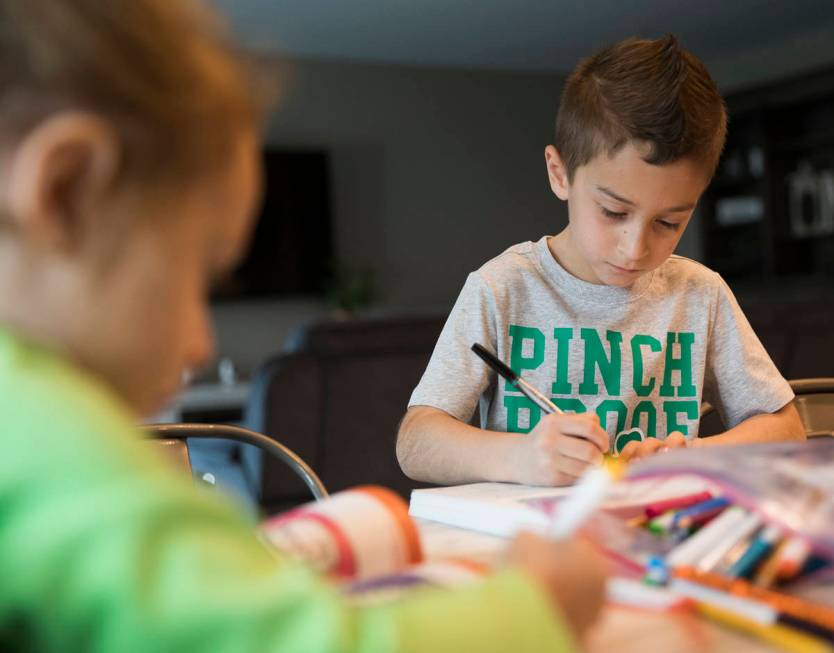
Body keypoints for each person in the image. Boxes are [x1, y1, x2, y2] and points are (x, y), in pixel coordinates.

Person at [0, 1, 607, 651]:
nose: (199, 341)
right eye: (197, 274)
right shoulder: (47, 443)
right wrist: (532, 608)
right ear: (66, 189)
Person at [397, 35, 805, 487]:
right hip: (532, 543)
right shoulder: (502, 287)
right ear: (560, 174)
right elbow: (415, 442)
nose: (635, 249)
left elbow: (785, 428)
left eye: (668, 223)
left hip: (655, 536)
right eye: (614, 212)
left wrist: (691, 456)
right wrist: (520, 458)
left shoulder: (698, 294)